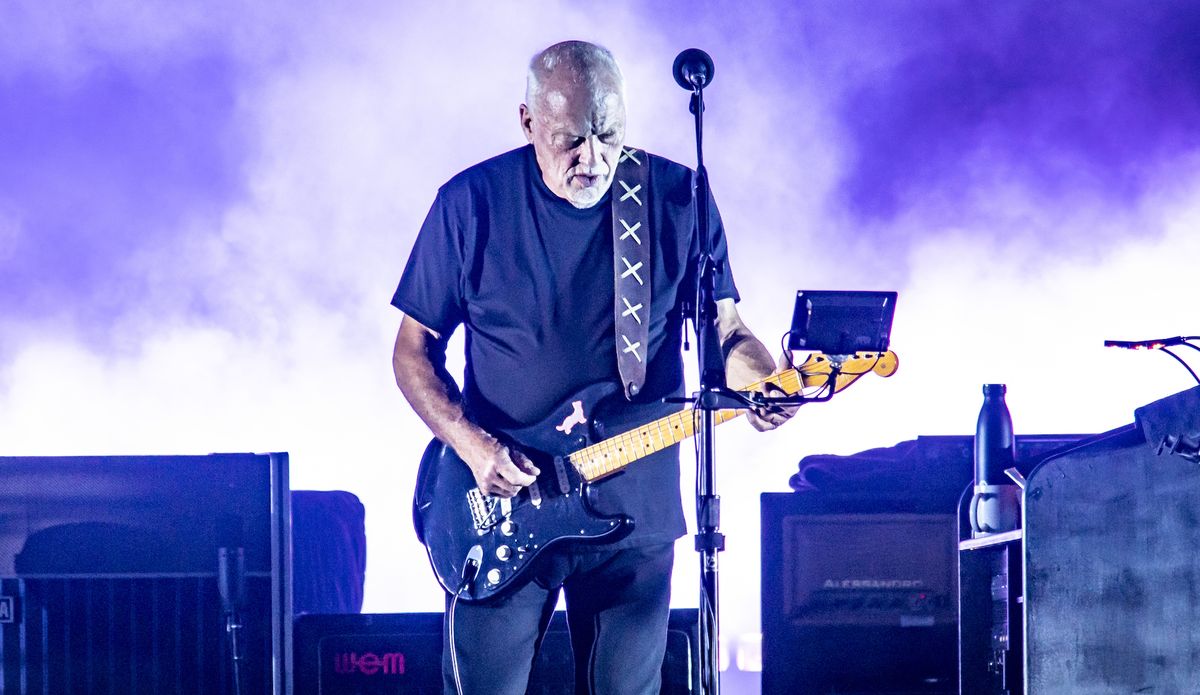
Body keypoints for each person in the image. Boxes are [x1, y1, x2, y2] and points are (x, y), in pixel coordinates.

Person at [391, 40, 795, 695]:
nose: (593, 157)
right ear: (528, 123)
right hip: (507, 502)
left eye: (608, 134)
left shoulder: (676, 198)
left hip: (636, 511)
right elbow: (411, 352)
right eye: (570, 140)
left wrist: (761, 383)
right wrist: (473, 445)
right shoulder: (470, 203)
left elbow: (728, 330)